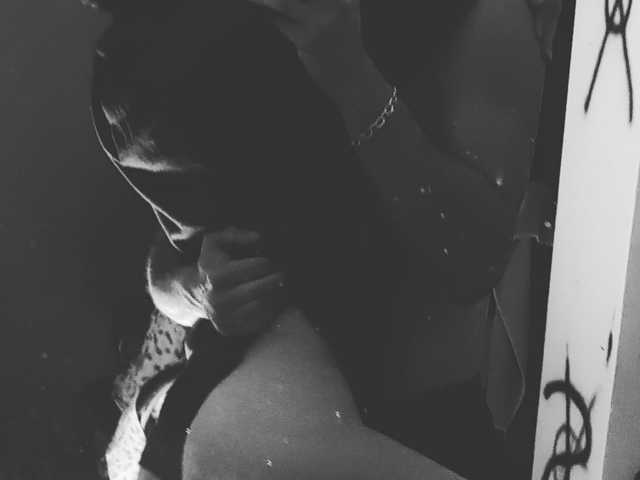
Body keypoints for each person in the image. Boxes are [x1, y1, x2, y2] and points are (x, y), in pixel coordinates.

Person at [88, 0, 563, 478]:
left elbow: (474, 260)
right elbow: (168, 264)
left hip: (413, 411)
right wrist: (200, 287)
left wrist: (350, 74)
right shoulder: (171, 57)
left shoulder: (473, 19)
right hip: (254, 382)